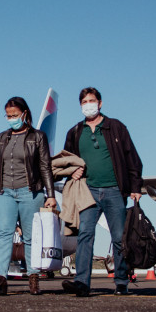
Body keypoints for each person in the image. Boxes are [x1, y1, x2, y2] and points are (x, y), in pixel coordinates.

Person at [60, 87, 144, 297]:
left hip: (114, 190)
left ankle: (121, 281)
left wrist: (135, 187)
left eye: (92, 100)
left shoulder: (116, 127)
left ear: (100, 103)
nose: (88, 105)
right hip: (87, 191)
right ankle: (81, 282)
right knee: (85, 235)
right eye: (84, 102)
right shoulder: (75, 132)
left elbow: (132, 157)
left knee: (118, 237)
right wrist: (72, 171)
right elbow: (66, 161)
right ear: (80, 106)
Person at [0, 97, 57, 295]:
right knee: (4, 233)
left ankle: (33, 277)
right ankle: (0, 276)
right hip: (5, 191)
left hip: (30, 192)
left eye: (15, 115)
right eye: (8, 116)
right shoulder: (2, 137)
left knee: (30, 236)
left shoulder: (37, 137)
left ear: (24, 114)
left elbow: (45, 166)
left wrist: (50, 194)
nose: (11, 119)